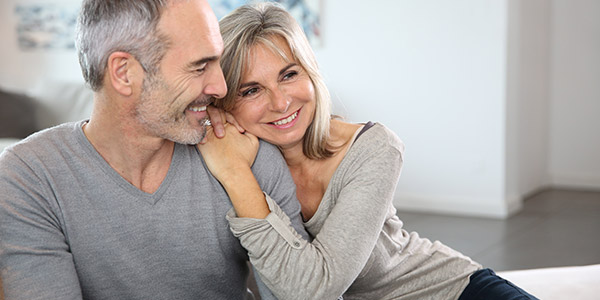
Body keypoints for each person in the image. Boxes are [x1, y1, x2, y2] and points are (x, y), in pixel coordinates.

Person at [198, 2, 539, 300]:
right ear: (224, 102)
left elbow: (316, 289)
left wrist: (236, 174)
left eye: (289, 74)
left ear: (311, 73)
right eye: (251, 90)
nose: (281, 101)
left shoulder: (374, 147)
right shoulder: (228, 155)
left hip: (449, 291)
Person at [0, 1, 309, 299]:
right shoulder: (29, 177)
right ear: (124, 72)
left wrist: (238, 175)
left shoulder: (246, 154)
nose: (221, 87)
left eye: (217, 61)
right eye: (200, 67)